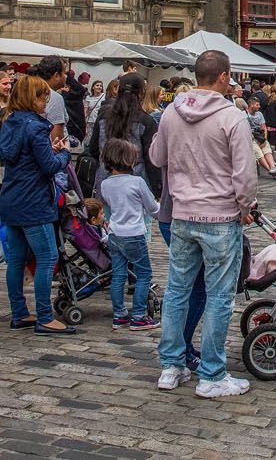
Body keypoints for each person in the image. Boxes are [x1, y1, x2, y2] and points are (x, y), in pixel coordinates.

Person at [149, 50, 256, 399]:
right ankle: (211, 373)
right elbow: (244, 172)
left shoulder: (171, 112)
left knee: (177, 290)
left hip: (182, 213)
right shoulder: (232, 117)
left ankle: (171, 364)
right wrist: (246, 206)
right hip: (221, 216)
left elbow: (156, 157)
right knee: (219, 296)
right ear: (223, 76)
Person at [0, 74, 74, 336]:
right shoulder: (36, 127)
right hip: (33, 201)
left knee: (16, 259)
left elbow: (19, 157)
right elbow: (49, 166)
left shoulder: (9, 122)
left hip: (11, 197)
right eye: (42, 98)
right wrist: (63, 153)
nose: (45, 103)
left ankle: (19, 312)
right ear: (32, 98)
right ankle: (44, 316)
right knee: (46, 256)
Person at [99, 137, 159, 332]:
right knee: (144, 274)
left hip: (115, 234)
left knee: (118, 276)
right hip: (134, 234)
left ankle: (119, 315)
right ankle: (139, 316)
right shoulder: (137, 182)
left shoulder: (106, 184)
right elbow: (152, 207)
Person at [246, 98, 276, 179]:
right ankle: (271, 171)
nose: (259, 106)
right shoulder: (244, 114)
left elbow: (264, 127)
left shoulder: (259, 114)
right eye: (257, 105)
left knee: (267, 150)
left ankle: (273, 168)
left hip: (260, 137)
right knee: (258, 153)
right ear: (251, 105)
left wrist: (264, 139)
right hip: (250, 138)